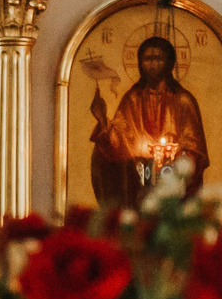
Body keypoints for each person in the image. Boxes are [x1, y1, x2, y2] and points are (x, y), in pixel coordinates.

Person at [88, 35, 210, 205]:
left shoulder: (183, 100)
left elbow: (195, 149)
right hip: (138, 184)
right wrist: (102, 119)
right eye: (148, 59)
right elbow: (118, 146)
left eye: (158, 59)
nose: (152, 65)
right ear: (140, 63)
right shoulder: (132, 99)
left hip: (173, 185)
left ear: (169, 63)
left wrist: (171, 166)